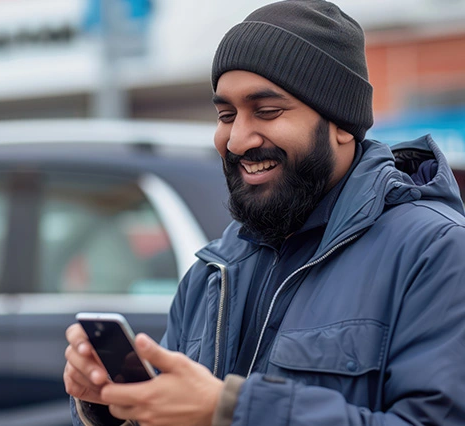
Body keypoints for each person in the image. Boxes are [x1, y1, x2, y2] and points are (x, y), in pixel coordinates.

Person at [63, 0, 465, 425]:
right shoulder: (213, 270)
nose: (237, 140)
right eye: (225, 114)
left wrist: (231, 411)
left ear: (342, 122)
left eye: (267, 111)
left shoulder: (436, 253)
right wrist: (113, 409)